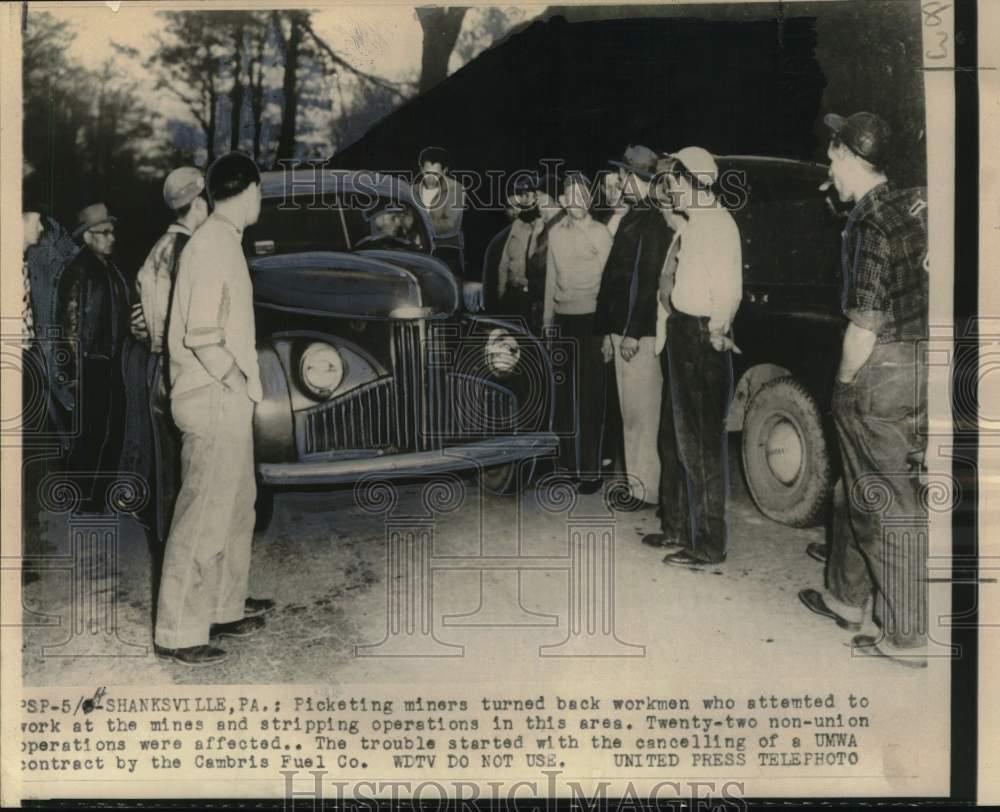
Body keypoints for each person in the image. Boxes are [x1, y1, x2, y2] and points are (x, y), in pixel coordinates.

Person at [798, 112, 929, 668]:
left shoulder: (867, 223)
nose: (828, 169)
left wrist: (845, 381)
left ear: (851, 157)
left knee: (884, 502)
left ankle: (906, 636)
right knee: (854, 486)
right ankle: (845, 598)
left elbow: (865, 322)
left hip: (881, 368)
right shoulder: (912, 204)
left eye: (833, 159)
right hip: (923, 361)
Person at [154, 152, 274, 667]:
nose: (261, 199)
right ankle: (179, 632)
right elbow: (201, 335)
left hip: (223, 396)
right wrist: (238, 382)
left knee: (237, 507)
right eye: (259, 190)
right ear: (249, 190)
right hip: (212, 396)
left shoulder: (224, 241)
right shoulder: (210, 247)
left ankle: (224, 607)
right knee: (203, 514)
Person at [643, 148, 742, 569]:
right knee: (674, 436)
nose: (670, 190)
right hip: (683, 335)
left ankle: (708, 543)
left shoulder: (717, 225)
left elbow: (729, 291)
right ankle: (678, 527)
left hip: (700, 339)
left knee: (700, 446)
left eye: (674, 182)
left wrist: (716, 332)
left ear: (689, 181)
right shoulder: (697, 223)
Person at [122, 166, 209, 543]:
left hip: (158, 367)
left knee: (168, 470)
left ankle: (169, 549)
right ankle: (185, 558)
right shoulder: (190, 251)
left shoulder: (159, 248)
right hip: (183, 369)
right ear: (198, 203)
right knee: (191, 472)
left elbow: (139, 318)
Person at [594, 145, 674, 511]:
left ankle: (646, 490)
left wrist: (631, 332)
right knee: (631, 413)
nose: (619, 181)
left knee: (643, 415)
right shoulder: (634, 215)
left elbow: (646, 284)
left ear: (634, 178)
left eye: (623, 175)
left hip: (637, 336)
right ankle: (636, 484)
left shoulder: (652, 221)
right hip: (623, 332)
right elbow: (616, 279)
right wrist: (609, 332)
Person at [55, 203, 131, 512]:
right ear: (88, 237)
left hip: (111, 362)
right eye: (104, 232)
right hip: (90, 364)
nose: (112, 237)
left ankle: (98, 496)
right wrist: (73, 373)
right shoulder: (79, 271)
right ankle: (83, 500)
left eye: (112, 231)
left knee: (110, 430)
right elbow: (70, 327)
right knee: (90, 433)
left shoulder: (108, 268)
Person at [543, 172, 613, 492]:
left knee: (590, 398)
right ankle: (568, 467)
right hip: (563, 321)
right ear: (562, 201)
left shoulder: (600, 233)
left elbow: (610, 284)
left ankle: (591, 471)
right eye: (570, 196)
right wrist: (547, 324)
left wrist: (608, 333)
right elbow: (550, 280)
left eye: (581, 195)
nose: (576, 202)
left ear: (590, 199)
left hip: (593, 321)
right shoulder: (555, 233)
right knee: (565, 397)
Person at [487, 173, 543, 324]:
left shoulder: (543, 227)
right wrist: (501, 291)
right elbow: (504, 262)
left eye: (527, 195)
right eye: (521, 195)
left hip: (531, 298)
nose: (524, 200)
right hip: (511, 295)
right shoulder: (516, 226)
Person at [414, 146, 467, 277]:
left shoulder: (457, 189)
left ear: (445, 170)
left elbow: (450, 225)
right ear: (421, 168)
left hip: (446, 250)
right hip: (418, 249)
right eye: (427, 173)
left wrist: (418, 229)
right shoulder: (412, 190)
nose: (431, 178)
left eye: (436, 174)